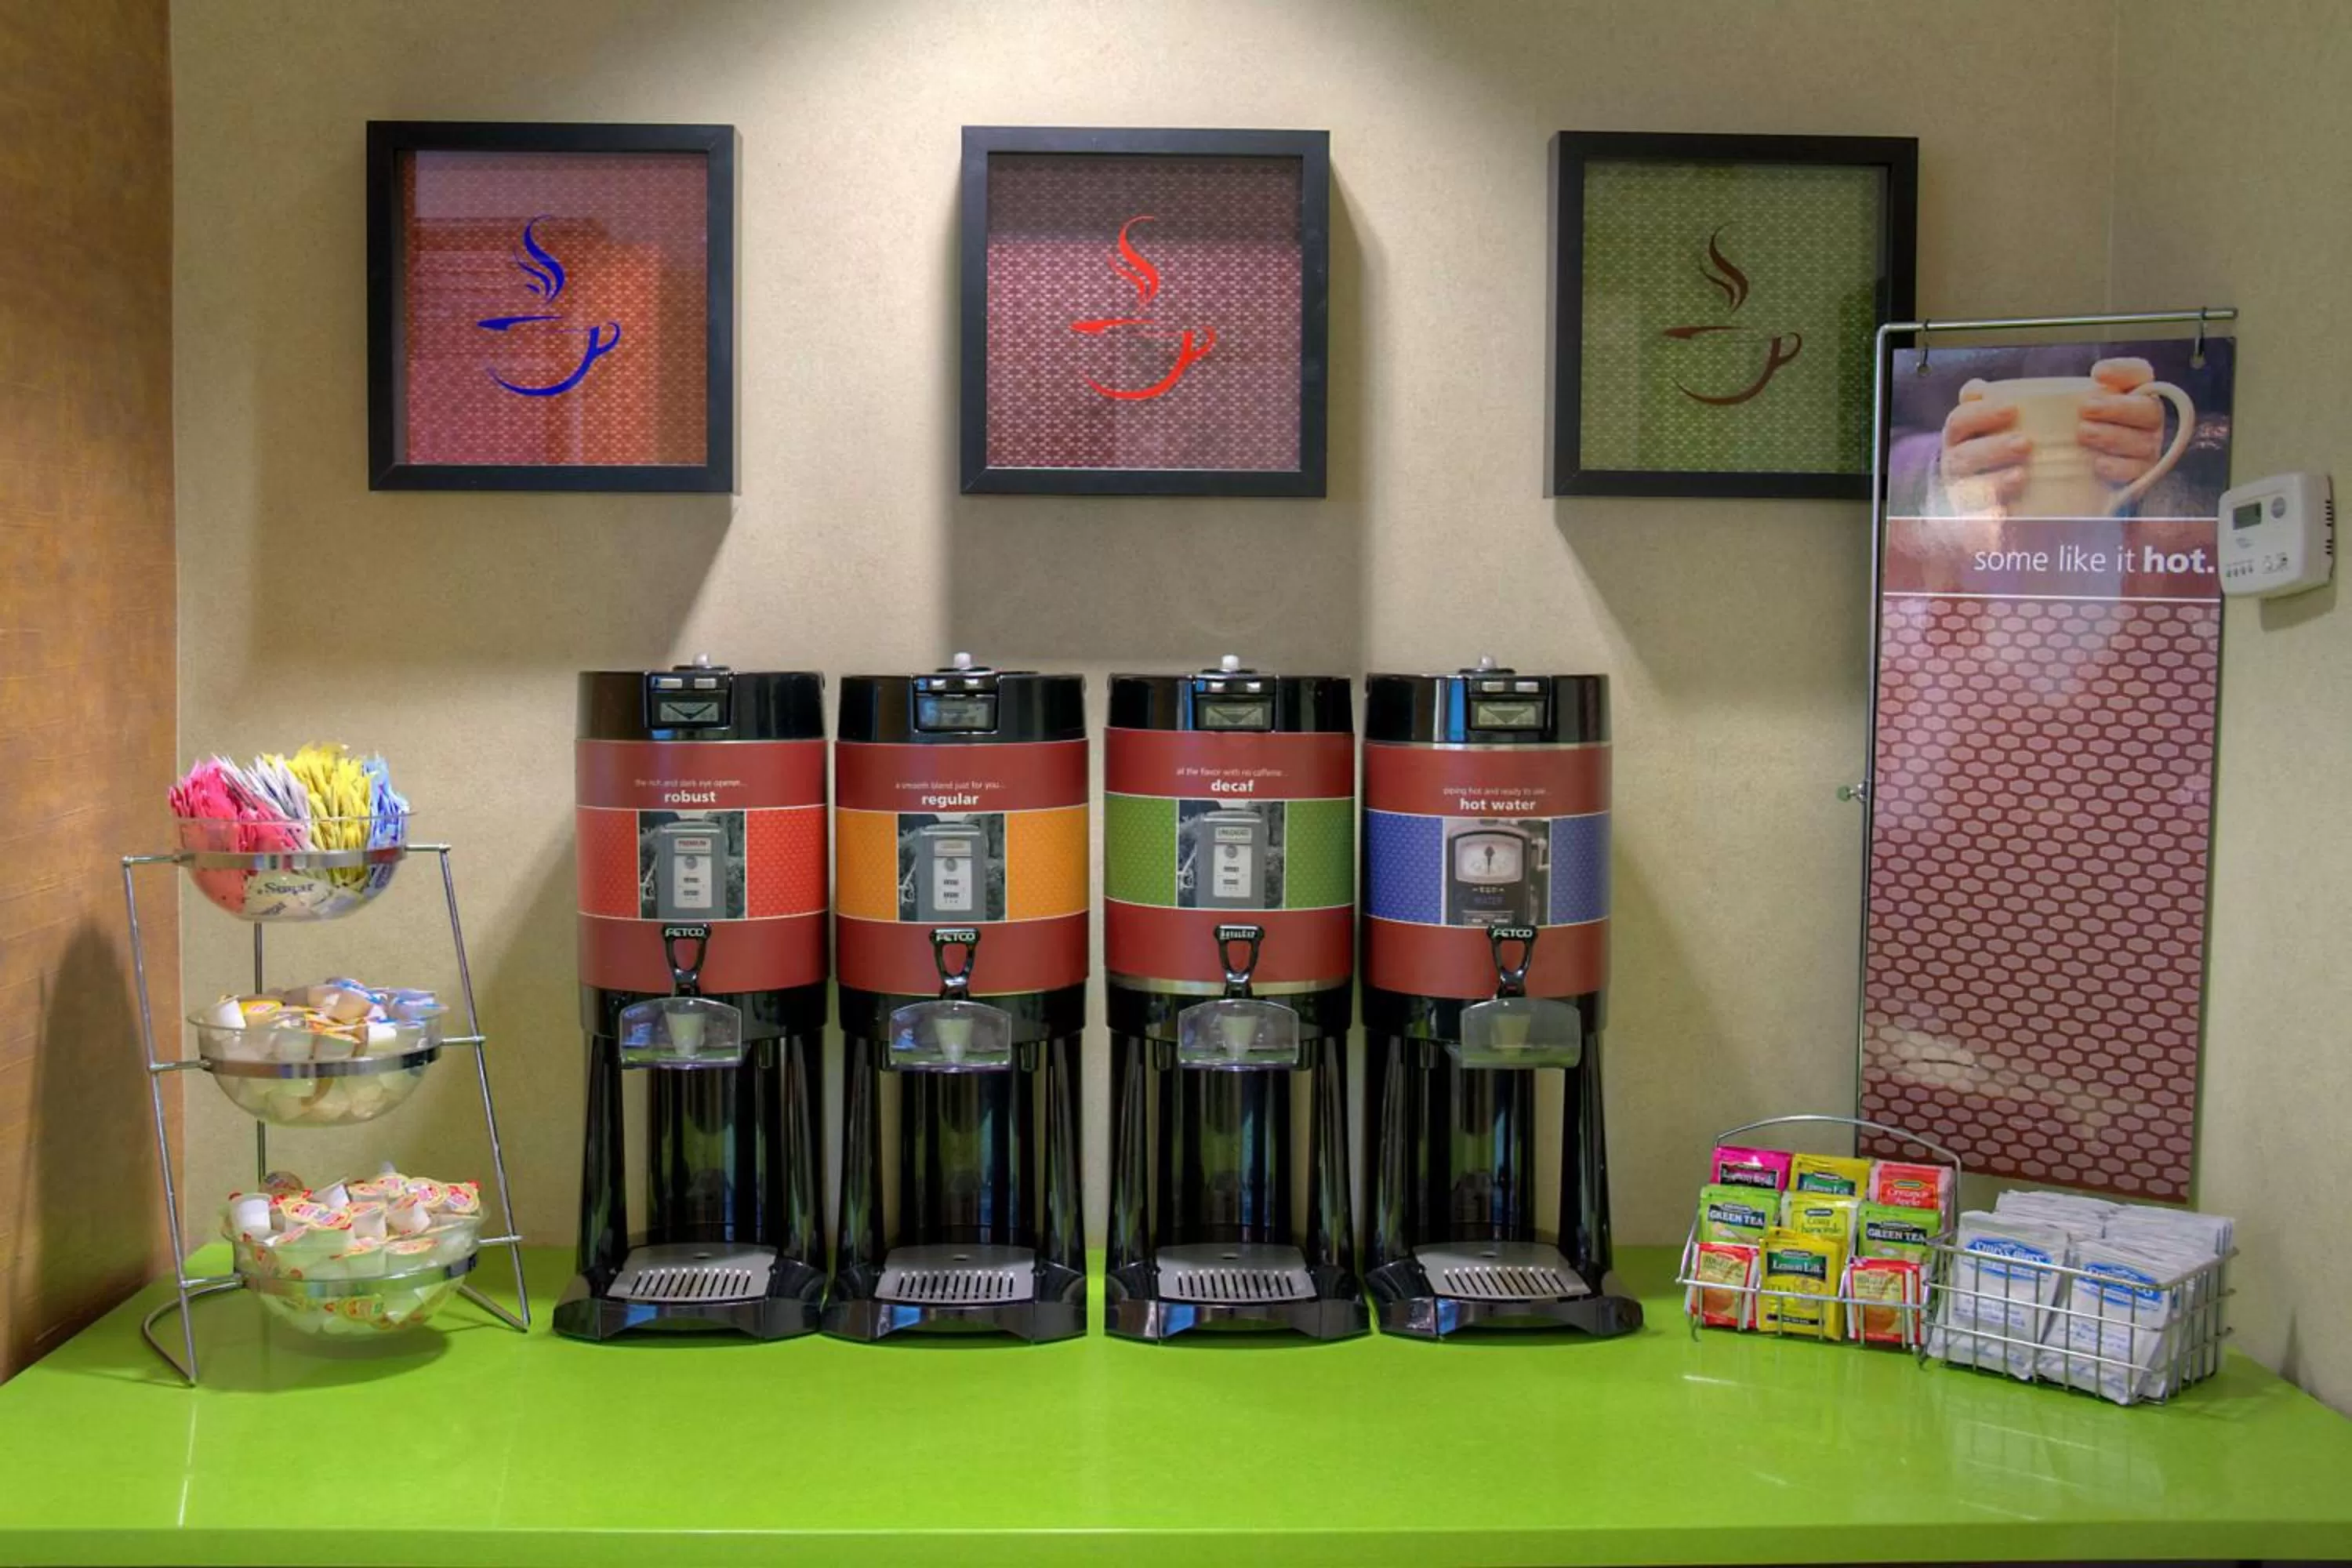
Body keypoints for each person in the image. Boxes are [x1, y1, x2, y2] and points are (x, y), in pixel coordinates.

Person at [1939, 357, 2167, 509]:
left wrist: (2173, 464)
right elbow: (1904, 422)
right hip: (2002, 554)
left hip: (2136, 551)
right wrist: (1943, 470)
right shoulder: (1951, 358)